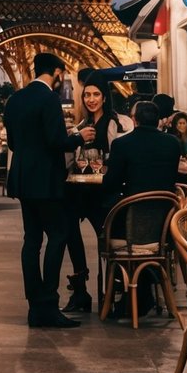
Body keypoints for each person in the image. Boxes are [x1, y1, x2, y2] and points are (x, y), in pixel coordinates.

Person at [4, 52, 96, 328]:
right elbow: (56, 142)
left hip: (22, 179)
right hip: (46, 181)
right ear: (57, 72)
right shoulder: (49, 99)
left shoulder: (15, 99)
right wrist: (79, 137)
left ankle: (35, 305)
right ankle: (48, 304)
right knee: (58, 234)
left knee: (32, 240)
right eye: (62, 75)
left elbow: (12, 144)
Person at [63, 78, 128, 312]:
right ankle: (80, 286)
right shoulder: (83, 124)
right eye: (87, 95)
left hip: (105, 193)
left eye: (96, 95)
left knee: (108, 239)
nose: (91, 99)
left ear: (104, 97)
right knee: (68, 228)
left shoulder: (115, 123)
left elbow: (118, 158)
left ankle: (115, 285)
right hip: (83, 190)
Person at [102, 99, 183, 203]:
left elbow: (111, 183)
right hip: (167, 208)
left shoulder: (121, 144)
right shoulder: (173, 142)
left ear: (135, 120)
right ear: (157, 120)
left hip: (132, 207)